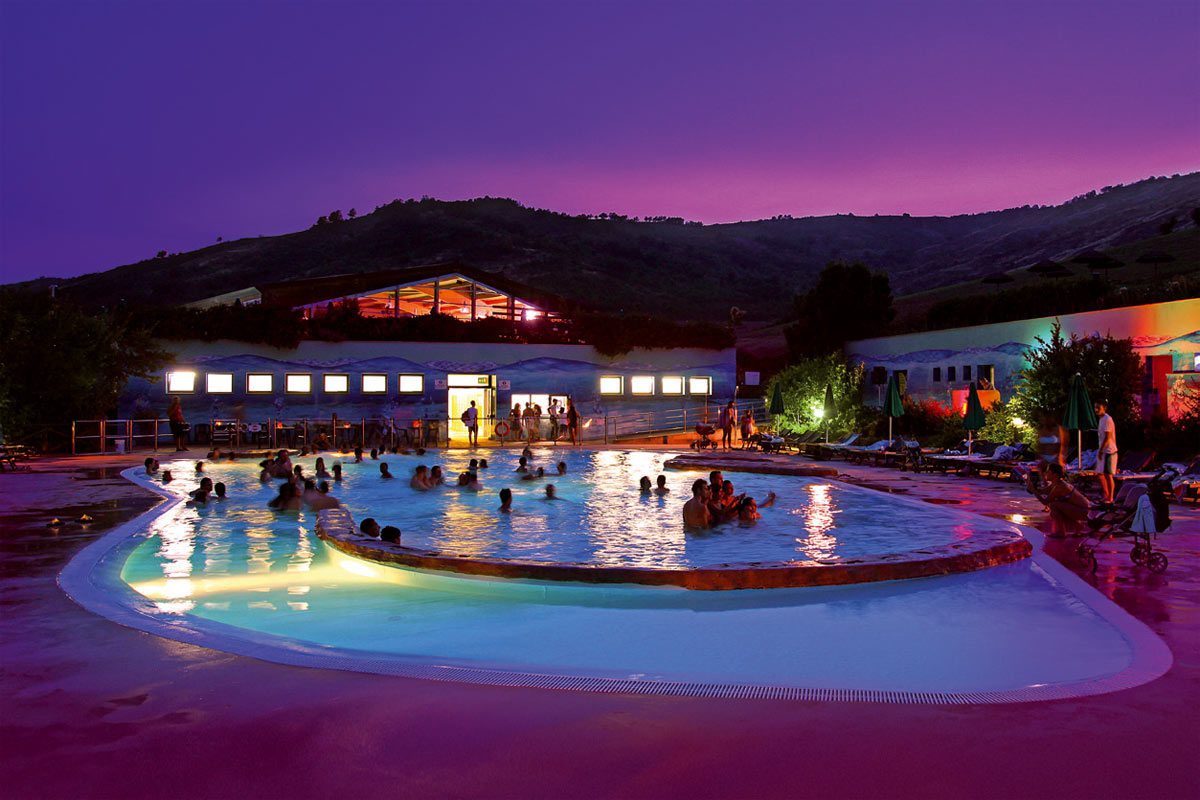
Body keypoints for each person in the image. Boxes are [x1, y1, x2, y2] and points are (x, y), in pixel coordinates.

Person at [1033, 462, 1091, 536]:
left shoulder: (1060, 487)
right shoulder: (1056, 484)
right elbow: (1042, 491)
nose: (1046, 474)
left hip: (1086, 512)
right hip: (1083, 510)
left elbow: (1045, 502)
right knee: (1056, 505)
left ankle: (1061, 532)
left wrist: (1033, 491)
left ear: (1055, 475)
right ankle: (1077, 527)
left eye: (1048, 472)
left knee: (1054, 505)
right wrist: (1032, 487)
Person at [1095, 400, 1118, 504]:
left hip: (1109, 450)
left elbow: (1107, 437)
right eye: (1095, 408)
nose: (1096, 410)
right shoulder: (1101, 419)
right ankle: (1106, 495)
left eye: (1098, 408)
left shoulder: (1108, 419)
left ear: (1104, 408)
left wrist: (1101, 450)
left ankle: (1110, 497)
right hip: (1103, 450)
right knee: (1101, 474)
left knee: (1108, 475)